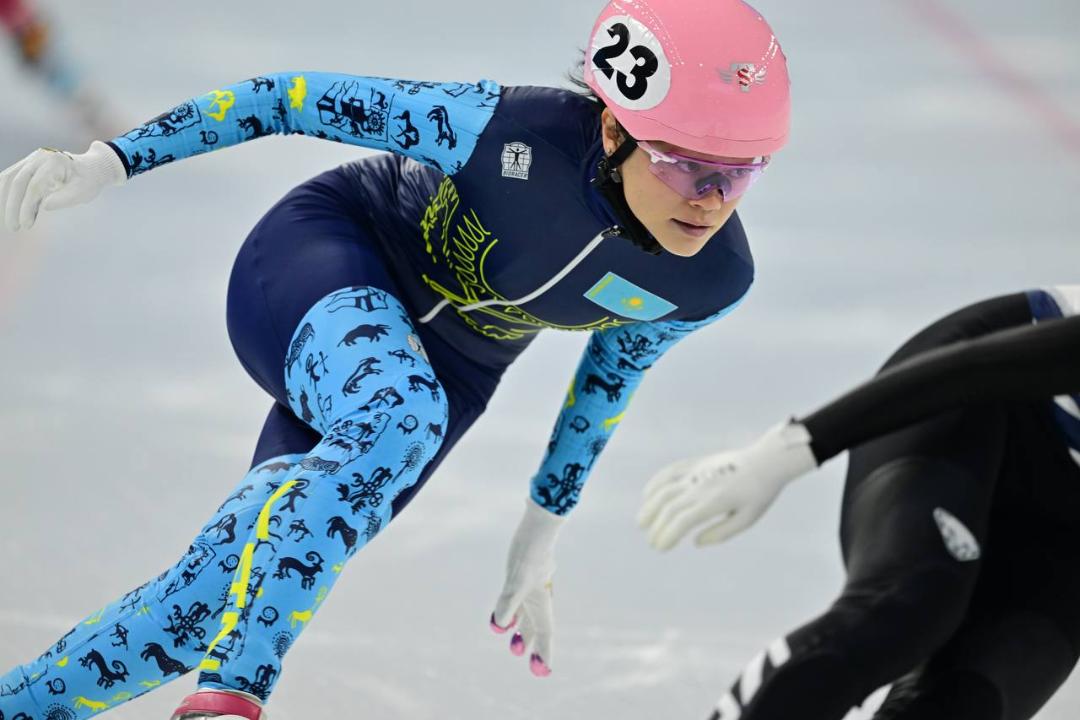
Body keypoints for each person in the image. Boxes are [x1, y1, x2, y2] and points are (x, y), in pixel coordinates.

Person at [0, 0, 791, 718]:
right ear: (615, 131)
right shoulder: (500, 130)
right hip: (329, 261)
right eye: (686, 165)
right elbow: (285, 97)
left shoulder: (712, 280)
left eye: (742, 172)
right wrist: (111, 161)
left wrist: (542, 528)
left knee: (202, 607)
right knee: (400, 415)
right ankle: (233, 694)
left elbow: (610, 378)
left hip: (448, 379)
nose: (711, 199)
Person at [639, 287, 1080, 719]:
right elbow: (973, 369)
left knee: (968, 701)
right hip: (971, 396)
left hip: (1064, 517)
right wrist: (787, 451)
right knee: (909, 604)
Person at [1, 0, 110, 134]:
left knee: (55, 69)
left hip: (27, 29)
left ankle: (92, 114)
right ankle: (91, 113)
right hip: (26, 27)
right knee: (55, 69)